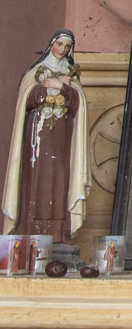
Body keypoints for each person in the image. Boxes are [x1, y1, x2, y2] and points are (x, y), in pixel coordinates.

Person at [2, 29, 90, 243]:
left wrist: (62, 87)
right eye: (59, 44)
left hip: (62, 139)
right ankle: (27, 230)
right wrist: (44, 91)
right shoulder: (37, 71)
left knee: (60, 181)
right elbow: (27, 97)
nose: (62, 50)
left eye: (67, 47)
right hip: (36, 137)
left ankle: (58, 235)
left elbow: (79, 103)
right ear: (52, 44)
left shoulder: (70, 73)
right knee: (33, 182)